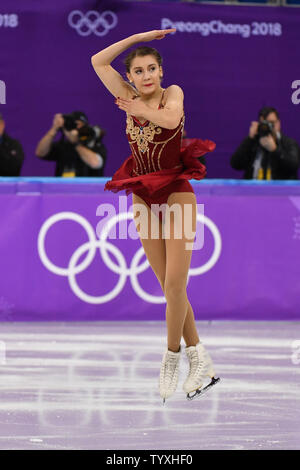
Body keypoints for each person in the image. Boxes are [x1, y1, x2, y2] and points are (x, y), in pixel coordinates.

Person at [91, 29, 219, 403]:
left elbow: (171, 118)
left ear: (161, 72)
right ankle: (202, 361)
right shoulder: (127, 94)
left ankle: (171, 357)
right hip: (144, 197)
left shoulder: (172, 93)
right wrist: (137, 38)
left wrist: (142, 109)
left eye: (151, 69)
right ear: (129, 77)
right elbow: (98, 61)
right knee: (167, 287)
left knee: (177, 285)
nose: (145, 76)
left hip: (177, 192)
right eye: (138, 71)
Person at [230, 106, 300, 180]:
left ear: (279, 123)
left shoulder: (289, 143)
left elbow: (294, 166)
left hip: (280, 190)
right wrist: (249, 139)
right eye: (265, 124)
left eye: (272, 123)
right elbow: (235, 164)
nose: (269, 127)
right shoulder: (253, 143)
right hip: (253, 189)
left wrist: (275, 150)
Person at [35, 111, 107, 177]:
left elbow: (95, 163)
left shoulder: (94, 144)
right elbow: (40, 152)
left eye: (78, 124)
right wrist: (54, 129)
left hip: (88, 189)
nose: (76, 128)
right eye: (73, 124)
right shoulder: (64, 145)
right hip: (63, 189)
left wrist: (76, 143)